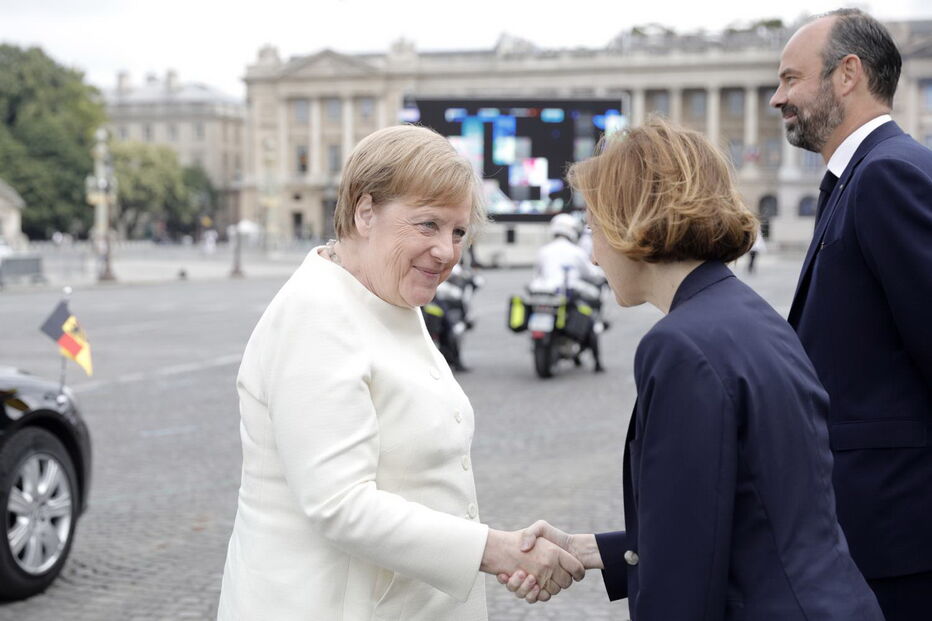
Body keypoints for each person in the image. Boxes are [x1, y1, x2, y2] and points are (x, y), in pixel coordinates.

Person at [498, 118, 883, 620]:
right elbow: (736, 514)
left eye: (594, 227)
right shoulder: (749, 314)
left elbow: (683, 575)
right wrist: (590, 549)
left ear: (630, 219)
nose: (593, 256)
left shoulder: (680, 345)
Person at [217, 125, 583, 620]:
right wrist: (494, 550)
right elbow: (340, 503)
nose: (447, 251)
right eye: (428, 225)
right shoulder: (316, 315)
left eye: (458, 232)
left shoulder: (387, 297)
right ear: (365, 212)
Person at [769, 10, 932, 620]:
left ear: (848, 74)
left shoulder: (887, 175)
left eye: (791, 78)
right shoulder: (863, 175)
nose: (777, 97)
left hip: (899, 537)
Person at [530, 212, 606, 371]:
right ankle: (597, 362)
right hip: (569, 293)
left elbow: (537, 274)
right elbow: (591, 273)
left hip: (543, 294)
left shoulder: (544, 250)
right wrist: (603, 274)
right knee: (591, 319)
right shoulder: (576, 252)